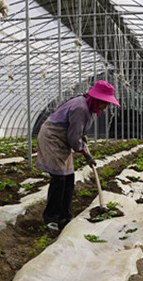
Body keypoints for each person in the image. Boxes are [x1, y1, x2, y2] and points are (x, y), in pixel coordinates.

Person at [36, 80, 120, 233]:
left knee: (69, 177)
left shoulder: (89, 107)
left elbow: (78, 131)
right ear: (98, 99)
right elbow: (74, 138)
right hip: (53, 138)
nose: (106, 107)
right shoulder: (80, 108)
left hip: (63, 140)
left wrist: (83, 139)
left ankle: (65, 216)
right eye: (106, 103)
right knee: (59, 178)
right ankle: (51, 218)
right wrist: (86, 154)